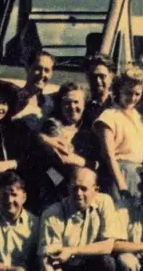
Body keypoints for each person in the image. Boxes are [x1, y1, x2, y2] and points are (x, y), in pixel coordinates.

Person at [38, 168, 123, 271]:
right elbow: (46, 258)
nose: (78, 193)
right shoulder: (52, 213)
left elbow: (108, 246)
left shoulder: (104, 202)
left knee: (107, 263)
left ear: (96, 190)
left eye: (84, 188)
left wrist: (72, 250)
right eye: (74, 188)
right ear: (67, 188)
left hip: (90, 268)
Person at [35, 82, 101, 212]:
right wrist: (62, 185)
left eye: (76, 102)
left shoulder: (90, 129)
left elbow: (98, 162)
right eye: (67, 102)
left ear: (84, 104)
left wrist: (85, 162)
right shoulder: (52, 126)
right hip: (54, 187)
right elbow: (62, 158)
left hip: (84, 192)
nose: (72, 106)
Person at [94, 67, 143, 204]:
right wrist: (121, 184)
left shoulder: (142, 119)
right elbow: (109, 156)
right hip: (117, 174)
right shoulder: (109, 116)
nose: (132, 98)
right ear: (119, 90)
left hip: (138, 176)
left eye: (137, 94)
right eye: (128, 93)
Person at [11, 50, 55, 133]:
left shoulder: (49, 103)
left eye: (47, 70)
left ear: (51, 74)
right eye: (38, 68)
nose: (42, 74)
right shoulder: (13, 98)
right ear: (27, 69)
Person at [80, 55, 115, 131]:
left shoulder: (118, 104)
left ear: (111, 77)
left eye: (102, 76)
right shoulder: (82, 104)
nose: (98, 81)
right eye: (93, 76)